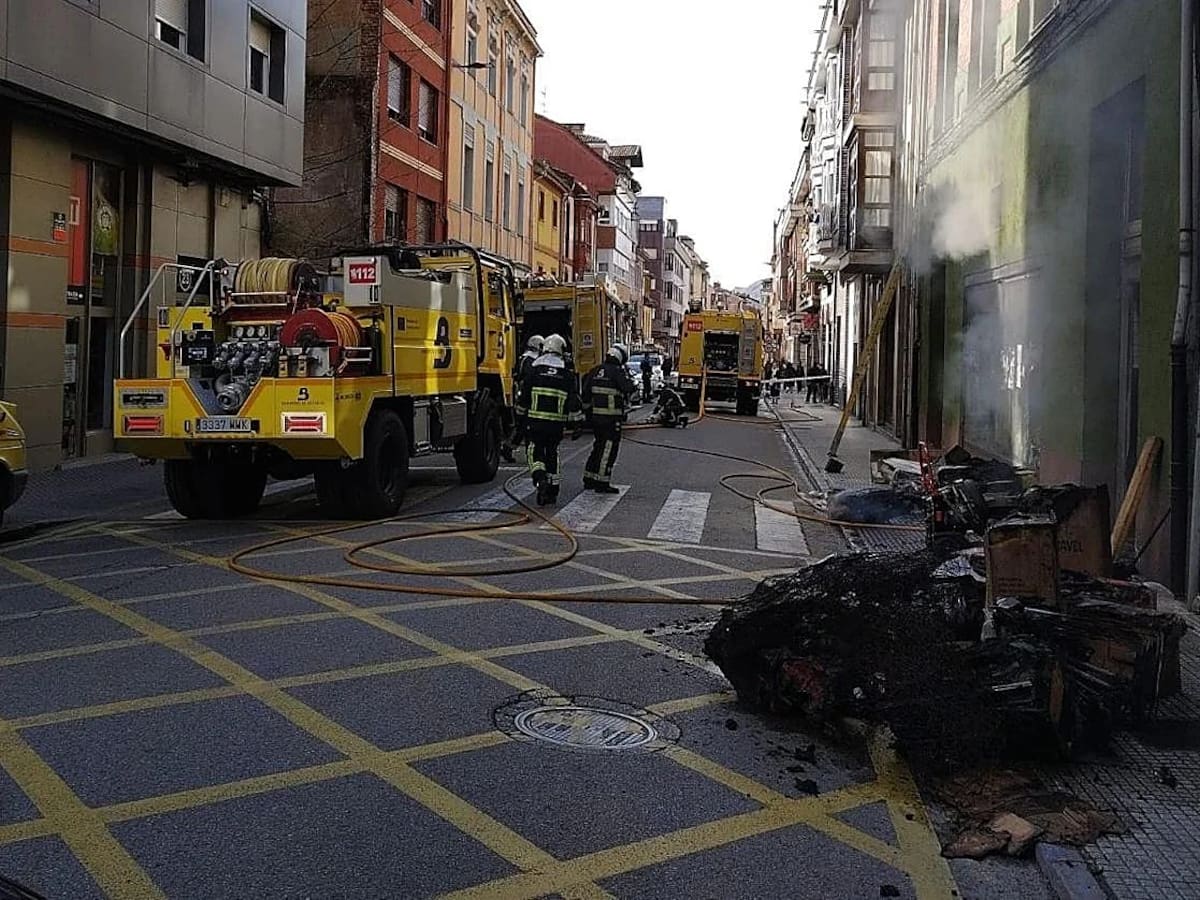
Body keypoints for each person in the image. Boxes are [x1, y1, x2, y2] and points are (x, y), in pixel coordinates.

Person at [514, 334, 582, 507]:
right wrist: (576, 425)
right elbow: (573, 401)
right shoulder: (566, 374)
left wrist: (519, 418)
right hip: (556, 426)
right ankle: (552, 491)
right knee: (553, 454)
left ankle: (540, 479)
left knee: (534, 452)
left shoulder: (534, 370)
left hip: (535, 423)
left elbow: (524, 399)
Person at [581, 343, 636, 493]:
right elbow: (628, 388)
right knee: (608, 449)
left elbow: (585, 394)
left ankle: (589, 477)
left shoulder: (595, 370)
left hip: (596, 419)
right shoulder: (617, 372)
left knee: (598, 446)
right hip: (611, 420)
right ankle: (602, 481)